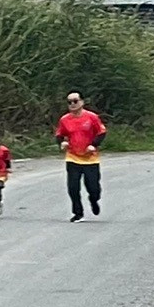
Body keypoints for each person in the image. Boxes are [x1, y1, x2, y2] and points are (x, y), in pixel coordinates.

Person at [54, 92, 106, 221]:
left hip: (90, 158)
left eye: (75, 101)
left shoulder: (92, 117)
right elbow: (59, 134)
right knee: (73, 188)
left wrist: (94, 145)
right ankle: (78, 213)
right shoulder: (65, 119)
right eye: (69, 102)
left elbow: (101, 132)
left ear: (82, 102)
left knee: (93, 188)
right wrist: (62, 143)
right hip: (73, 157)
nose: (72, 104)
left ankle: (93, 200)